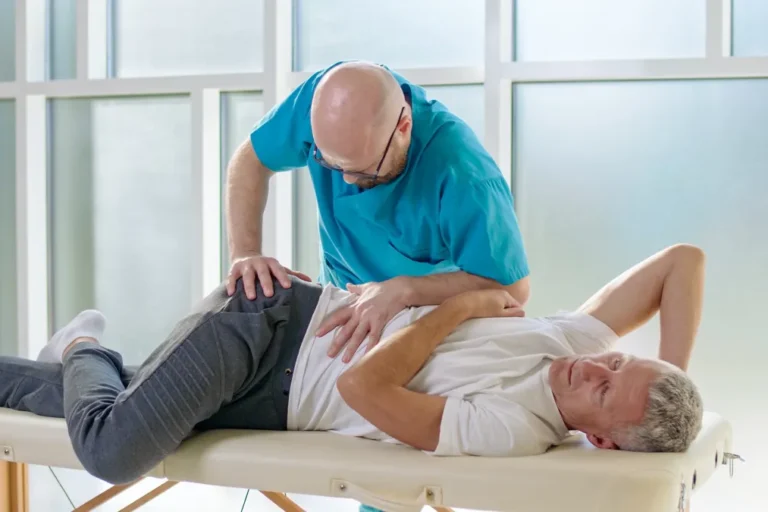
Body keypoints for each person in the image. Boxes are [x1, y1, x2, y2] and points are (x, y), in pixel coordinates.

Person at [0, 243, 704, 487]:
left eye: (609, 391)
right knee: (113, 447)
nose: (597, 369)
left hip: (273, 391)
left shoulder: (514, 427)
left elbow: (360, 386)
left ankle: (87, 357)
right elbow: (682, 262)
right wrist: (672, 373)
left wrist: (455, 311)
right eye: (617, 361)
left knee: (96, 404)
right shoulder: (572, 344)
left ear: (601, 440)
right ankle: (83, 346)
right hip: (266, 328)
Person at [225, 60, 531, 363]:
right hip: (339, 300)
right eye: (329, 163)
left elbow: (512, 288)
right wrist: (245, 252)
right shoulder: (328, 98)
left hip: (426, 324)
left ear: (404, 127)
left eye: (362, 171)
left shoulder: (463, 174)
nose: (344, 180)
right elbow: (251, 159)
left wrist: (403, 290)